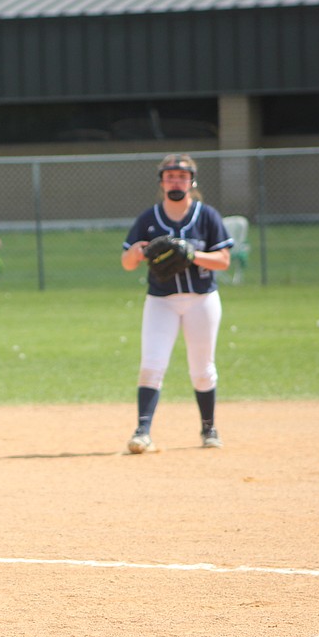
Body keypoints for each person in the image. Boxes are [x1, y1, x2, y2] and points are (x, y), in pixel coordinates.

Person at [121, 154, 232, 453]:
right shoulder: (148, 219)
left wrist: (190, 254)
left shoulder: (206, 216)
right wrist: (137, 252)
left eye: (182, 177)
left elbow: (223, 260)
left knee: (202, 368)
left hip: (202, 300)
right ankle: (142, 432)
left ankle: (209, 430)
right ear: (161, 182)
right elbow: (127, 262)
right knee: (152, 365)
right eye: (170, 176)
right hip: (162, 301)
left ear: (191, 181)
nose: (176, 181)